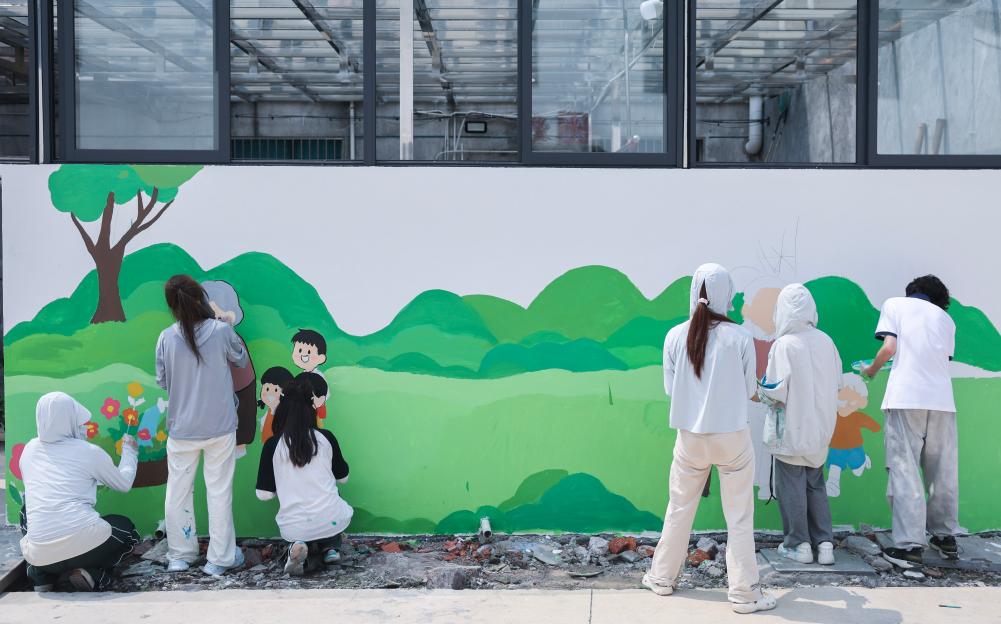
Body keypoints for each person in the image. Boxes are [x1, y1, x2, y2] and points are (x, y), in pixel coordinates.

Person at [643, 263, 776, 615]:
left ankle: (661, 578)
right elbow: (750, 390)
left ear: (693, 291)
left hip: (690, 438)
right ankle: (745, 594)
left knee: (679, 508)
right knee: (739, 517)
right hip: (732, 438)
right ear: (727, 294)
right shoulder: (741, 337)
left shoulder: (674, 336)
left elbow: (671, 389)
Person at [861, 274, 960, 569]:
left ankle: (910, 546)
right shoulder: (946, 320)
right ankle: (945, 537)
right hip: (942, 401)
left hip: (905, 397)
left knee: (905, 470)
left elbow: (889, 348)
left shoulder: (895, 305)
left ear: (911, 292)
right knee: (942, 471)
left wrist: (871, 370)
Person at [156, 275, 250, 576]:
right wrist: (226, 320)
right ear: (202, 298)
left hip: (182, 429)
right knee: (219, 492)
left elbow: (163, 381)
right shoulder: (221, 331)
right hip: (220, 427)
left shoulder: (166, 338)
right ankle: (219, 560)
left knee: (178, 492)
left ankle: (180, 555)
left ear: (172, 305)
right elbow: (240, 359)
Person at [19, 392, 140, 592]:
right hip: (85, 549)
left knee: (27, 510)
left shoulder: (28, 451)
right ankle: (93, 574)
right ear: (70, 419)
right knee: (127, 530)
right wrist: (130, 452)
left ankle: (40, 577)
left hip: (41, 556)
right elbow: (123, 484)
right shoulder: (89, 452)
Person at [757, 284, 842, 565]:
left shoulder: (784, 345)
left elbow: (775, 391)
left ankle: (798, 544)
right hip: (821, 429)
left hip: (791, 431)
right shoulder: (827, 341)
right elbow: (838, 383)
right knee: (815, 483)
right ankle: (825, 544)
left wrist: (760, 389)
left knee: (791, 485)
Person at [255, 380, 352, 576]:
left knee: (296, 516)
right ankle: (331, 548)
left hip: (294, 526)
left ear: (281, 413)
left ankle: (297, 546)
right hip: (332, 520)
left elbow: (263, 495)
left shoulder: (272, 445)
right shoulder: (326, 437)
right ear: (311, 412)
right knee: (333, 496)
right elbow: (343, 478)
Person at [826, 373, 881, 498]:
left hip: (855, 448)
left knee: (857, 471)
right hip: (836, 447)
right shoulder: (833, 416)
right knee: (835, 465)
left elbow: (870, 423)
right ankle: (833, 485)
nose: (845, 405)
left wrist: (874, 427)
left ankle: (863, 460)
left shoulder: (856, 417)